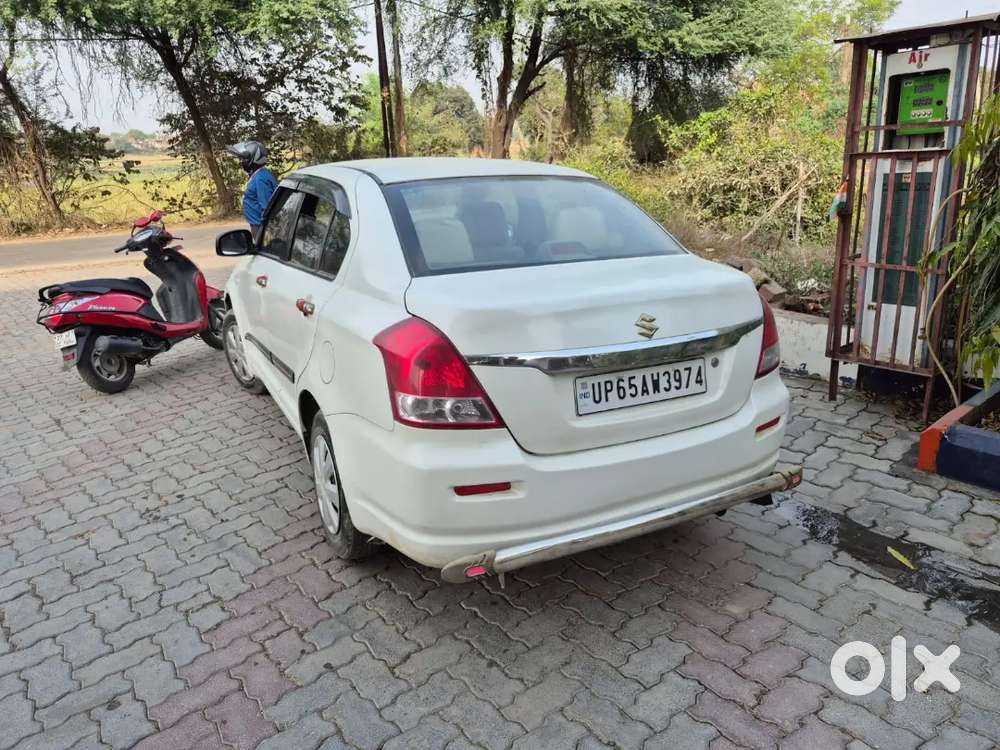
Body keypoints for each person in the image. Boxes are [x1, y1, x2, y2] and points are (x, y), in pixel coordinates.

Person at [226, 141, 277, 237]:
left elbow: (267, 208)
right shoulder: (257, 175)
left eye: (244, 159)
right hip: (256, 224)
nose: (242, 162)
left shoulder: (261, 179)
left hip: (260, 227)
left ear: (253, 159)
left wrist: (264, 233)